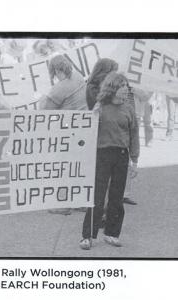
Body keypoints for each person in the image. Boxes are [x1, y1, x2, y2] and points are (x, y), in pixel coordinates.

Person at [80, 72, 140, 250]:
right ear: (113, 88)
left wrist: (134, 161)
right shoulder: (101, 106)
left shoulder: (129, 108)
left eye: (126, 87)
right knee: (97, 196)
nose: (125, 91)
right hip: (102, 154)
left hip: (121, 155)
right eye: (122, 87)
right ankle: (87, 236)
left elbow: (134, 135)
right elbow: (88, 132)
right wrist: (94, 117)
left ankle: (112, 233)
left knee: (117, 196)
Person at [38, 54, 87, 215]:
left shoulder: (60, 88)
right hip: (82, 130)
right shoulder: (79, 77)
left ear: (55, 70)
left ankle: (62, 204)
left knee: (62, 168)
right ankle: (79, 201)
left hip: (67, 132)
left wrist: (41, 99)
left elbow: (45, 111)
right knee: (76, 167)